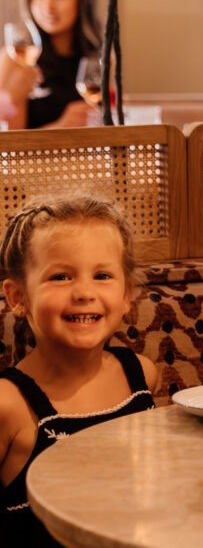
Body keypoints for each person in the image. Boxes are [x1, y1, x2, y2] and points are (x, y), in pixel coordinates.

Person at [0, 194, 158, 547]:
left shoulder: (141, 376)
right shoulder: (8, 406)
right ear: (18, 297)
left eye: (102, 275)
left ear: (127, 294)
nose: (84, 292)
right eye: (60, 276)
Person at [0, 0, 102, 129]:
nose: (48, 7)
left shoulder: (99, 57)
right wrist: (62, 127)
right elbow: (10, 141)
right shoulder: (16, 59)